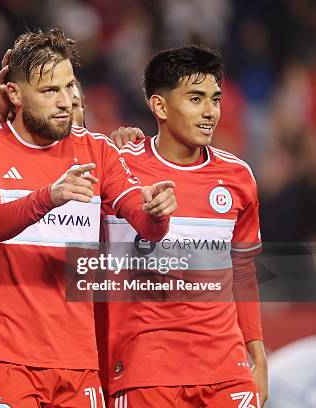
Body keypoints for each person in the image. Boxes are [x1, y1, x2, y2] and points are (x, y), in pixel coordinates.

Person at [0, 28, 177, 407]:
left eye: (69, 87)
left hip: (77, 360)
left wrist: (158, 212)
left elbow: (145, 222)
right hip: (2, 355)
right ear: (15, 95)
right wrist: (48, 197)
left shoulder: (97, 150)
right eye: (49, 91)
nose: (65, 101)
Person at [102, 45, 267, 407]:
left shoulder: (238, 177)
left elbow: (243, 270)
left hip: (227, 370)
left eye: (215, 99)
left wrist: (258, 355)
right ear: (160, 106)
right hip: (148, 370)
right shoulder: (116, 165)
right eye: (196, 99)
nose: (210, 112)